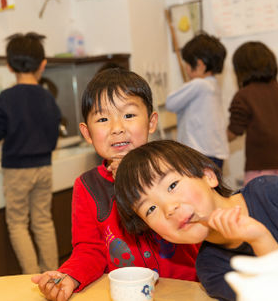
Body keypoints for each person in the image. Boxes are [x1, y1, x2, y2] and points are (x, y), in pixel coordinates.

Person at [31, 68, 200, 301]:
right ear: (87, 133)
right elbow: (89, 249)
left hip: (187, 291)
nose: (117, 128)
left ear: (151, 122)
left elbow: (190, 226)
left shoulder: (174, 170)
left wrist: (136, 181)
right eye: (102, 119)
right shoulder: (88, 186)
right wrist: (70, 276)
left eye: (129, 115)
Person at [114, 139, 278, 301]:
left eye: (172, 185)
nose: (169, 209)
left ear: (208, 176)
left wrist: (259, 236)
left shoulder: (271, 193)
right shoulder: (211, 269)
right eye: (151, 209)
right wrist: (259, 239)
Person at [0, 32, 61, 274]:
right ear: (43, 64)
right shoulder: (48, 97)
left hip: (16, 170)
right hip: (44, 166)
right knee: (43, 221)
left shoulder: (4, 99)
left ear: (9, 65)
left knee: (18, 224)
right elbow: (54, 133)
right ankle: (52, 274)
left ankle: (31, 278)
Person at [227, 41, 278, 191]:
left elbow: (234, 131)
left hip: (260, 166)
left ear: (241, 69)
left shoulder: (243, 95)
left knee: (262, 207)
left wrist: (214, 140)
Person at [165, 33, 228, 169]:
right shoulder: (213, 85)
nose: (186, 68)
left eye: (187, 63)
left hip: (198, 153)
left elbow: (170, 102)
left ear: (199, 65)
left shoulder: (199, 84)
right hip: (215, 153)